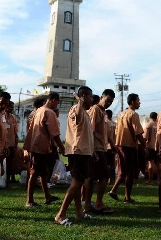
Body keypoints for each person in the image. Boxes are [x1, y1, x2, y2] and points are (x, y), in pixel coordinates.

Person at [54, 86, 95, 226]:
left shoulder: (85, 112)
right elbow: (77, 119)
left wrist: (92, 151)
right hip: (77, 152)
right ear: (83, 96)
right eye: (90, 96)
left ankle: (79, 212)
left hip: (85, 152)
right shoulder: (75, 109)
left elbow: (86, 135)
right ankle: (60, 214)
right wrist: (79, 101)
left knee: (78, 182)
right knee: (77, 183)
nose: (92, 99)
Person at [23, 92, 65, 207]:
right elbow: (55, 133)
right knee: (35, 172)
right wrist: (62, 147)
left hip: (37, 145)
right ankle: (29, 201)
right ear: (52, 100)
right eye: (57, 101)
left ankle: (47, 196)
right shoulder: (48, 112)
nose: (57, 104)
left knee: (43, 173)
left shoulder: (39, 111)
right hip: (39, 147)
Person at [108, 93, 146, 203]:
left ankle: (114, 191)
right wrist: (145, 146)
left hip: (120, 145)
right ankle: (125, 196)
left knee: (123, 171)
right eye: (138, 100)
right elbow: (138, 132)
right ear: (133, 102)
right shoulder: (133, 114)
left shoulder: (121, 114)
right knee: (129, 172)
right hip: (129, 146)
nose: (139, 103)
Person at [83, 89, 117, 214]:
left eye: (111, 102)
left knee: (92, 177)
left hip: (100, 148)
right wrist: (92, 149)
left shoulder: (102, 112)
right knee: (104, 176)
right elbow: (90, 130)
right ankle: (98, 203)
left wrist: (112, 145)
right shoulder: (96, 110)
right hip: (95, 148)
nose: (109, 103)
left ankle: (88, 204)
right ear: (102, 97)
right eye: (107, 100)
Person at [5, 101, 19, 186]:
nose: (12, 109)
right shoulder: (2, 116)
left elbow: (15, 132)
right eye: (10, 107)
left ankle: (9, 179)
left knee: (10, 162)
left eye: (12, 107)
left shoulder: (13, 117)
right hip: (3, 144)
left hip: (11, 144)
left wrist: (15, 143)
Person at [144, 112, 159, 185]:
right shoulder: (159, 125)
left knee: (150, 163)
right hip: (157, 146)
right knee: (158, 163)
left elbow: (145, 137)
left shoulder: (149, 125)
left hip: (150, 146)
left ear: (150, 117)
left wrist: (145, 146)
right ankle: (159, 180)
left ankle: (150, 180)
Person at [105, 109, 117, 184]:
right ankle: (111, 178)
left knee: (106, 163)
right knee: (112, 163)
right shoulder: (115, 124)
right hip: (114, 145)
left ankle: (106, 178)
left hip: (107, 145)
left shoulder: (106, 123)